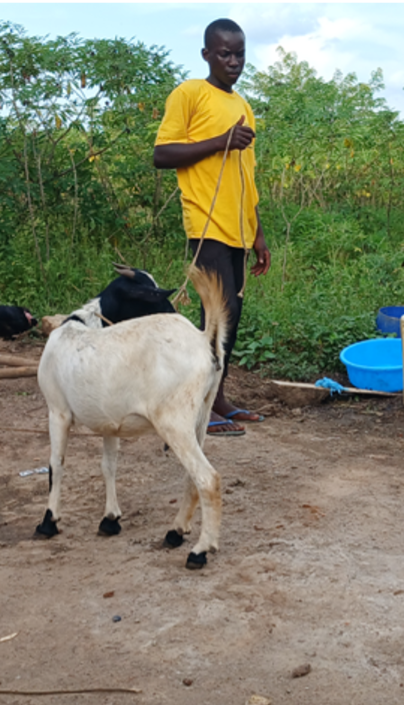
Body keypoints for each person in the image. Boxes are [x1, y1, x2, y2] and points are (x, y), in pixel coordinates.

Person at [154, 17, 271, 437]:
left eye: (240, 54)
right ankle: (197, 405)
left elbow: (247, 174)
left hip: (238, 229)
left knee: (231, 318)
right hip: (206, 225)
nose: (234, 61)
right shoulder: (189, 93)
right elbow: (162, 154)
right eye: (225, 53)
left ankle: (216, 397)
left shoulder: (242, 105)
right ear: (206, 54)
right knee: (217, 316)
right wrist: (218, 141)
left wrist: (257, 233)